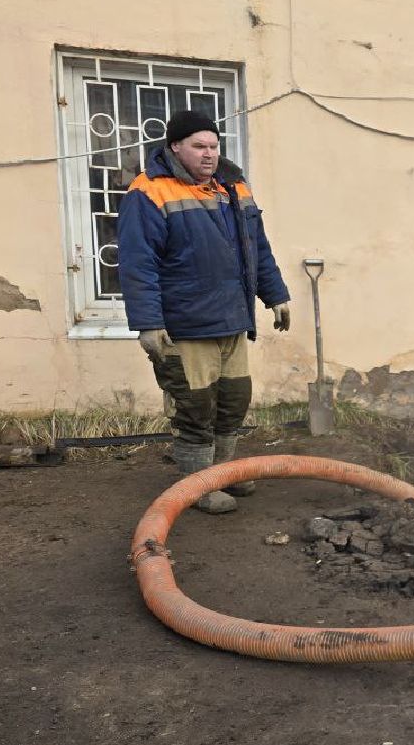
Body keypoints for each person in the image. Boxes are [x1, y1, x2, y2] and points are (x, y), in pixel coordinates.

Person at [117, 110, 291, 514]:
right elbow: (137, 263)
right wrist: (148, 322)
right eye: (199, 146)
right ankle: (198, 486)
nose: (209, 154)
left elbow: (257, 248)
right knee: (195, 408)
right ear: (175, 146)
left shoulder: (234, 187)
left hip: (231, 318)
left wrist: (276, 295)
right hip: (186, 325)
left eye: (213, 145)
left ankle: (224, 474)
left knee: (233, 400)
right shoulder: (149, 193)